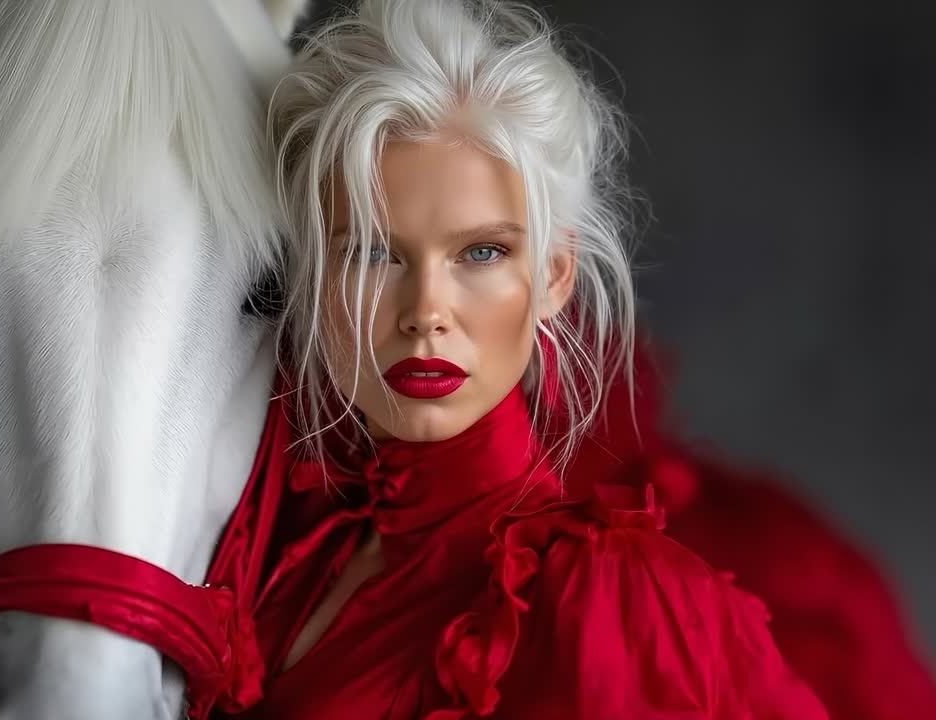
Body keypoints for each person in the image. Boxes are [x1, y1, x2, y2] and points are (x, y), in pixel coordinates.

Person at [217, 0, 830, 716]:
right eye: (373, 252)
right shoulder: (281, 556)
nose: (426, 313)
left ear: (554, 276)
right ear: (312, 276)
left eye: (481, 252)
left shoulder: (608, 603)